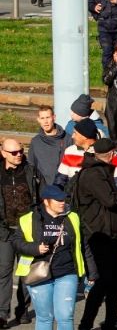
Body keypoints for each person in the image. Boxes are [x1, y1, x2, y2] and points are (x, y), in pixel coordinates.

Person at [13, 184, 96, 330]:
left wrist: (92, 272)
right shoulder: (28, 219)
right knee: (45, 317)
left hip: (66, 272)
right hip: (38, 273)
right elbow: (16, 243)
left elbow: (83, 245)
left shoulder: (72, 217)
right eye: (58, 200)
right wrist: (35, 248)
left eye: (63, 199)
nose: (62, 203)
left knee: (65, 316)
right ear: (46, 201)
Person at [74, 138, 117, 330]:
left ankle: (111, 323)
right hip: (98, 235)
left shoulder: (101, 171)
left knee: (116, 284)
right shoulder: (93, 174)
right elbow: (110, 200)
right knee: (103, 283)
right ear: (112, 154)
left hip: (110, 234)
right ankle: (86, 324)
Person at [0, 139, 39, 326]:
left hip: (26, 232)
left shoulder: (31, 172)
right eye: (14, 152)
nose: (19, 155)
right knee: (4, 273)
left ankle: (22, 309)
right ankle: (2, 313)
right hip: (4, 232)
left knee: (25, 273)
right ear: (3, 153)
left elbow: (41, 197)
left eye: (21, 151)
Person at [30, 105, 69, 189]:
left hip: (64, 186)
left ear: (54, 117)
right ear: (38, 120)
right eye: (42, 118)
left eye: (48, 117)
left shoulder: (67, 139)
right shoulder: (35, 141)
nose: (45, 121)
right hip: (43, 188)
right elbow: (31, 165)